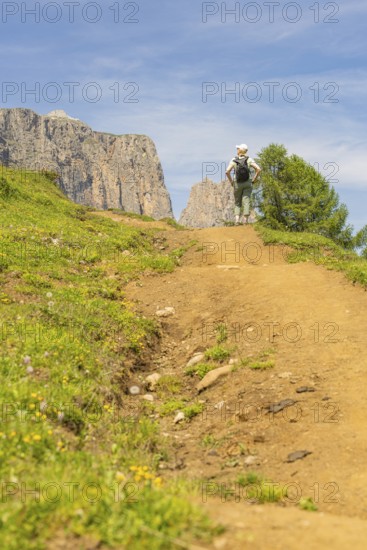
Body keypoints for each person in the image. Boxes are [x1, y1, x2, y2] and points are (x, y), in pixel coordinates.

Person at [225, 144, 261, 225]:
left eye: (238, 148)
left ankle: (237, 220)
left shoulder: (234, 160)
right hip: (248, 182)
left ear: (240, 150)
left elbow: (227, 172)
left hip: (237, 183)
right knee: (246, 200)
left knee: (237, 202)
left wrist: (231, 182)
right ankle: (245, 220)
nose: (237, 150)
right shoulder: (249, 159)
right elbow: (258, 169)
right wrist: (254, 179)